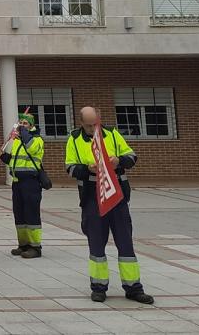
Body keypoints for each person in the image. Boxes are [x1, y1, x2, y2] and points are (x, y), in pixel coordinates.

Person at [65, 106, 154, 305]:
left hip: (117, 196)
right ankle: (98, 288)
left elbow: (132, 157)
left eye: (94, 124)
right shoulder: (74, 139)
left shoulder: (112, 134)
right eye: (88, 126)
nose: (92, 128)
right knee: (96, 244)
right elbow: (70, 168)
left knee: (125, 243)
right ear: (81, 123)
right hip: (92, 197)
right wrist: (87, 168)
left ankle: (133, 288)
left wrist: (118, 161)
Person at [0, 113, 45, 259]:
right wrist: (3, 156)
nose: (22, 126)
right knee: (19, 214)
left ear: (32, 126)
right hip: (17, 182)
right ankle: (23, 244)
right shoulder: (18, 141)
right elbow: (15, 161)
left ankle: (35, 247)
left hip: (31, 182)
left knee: (31, 214)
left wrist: (24, 133)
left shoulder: (36, 140)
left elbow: (31, 149)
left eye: (26, 123)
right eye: (21, 123)